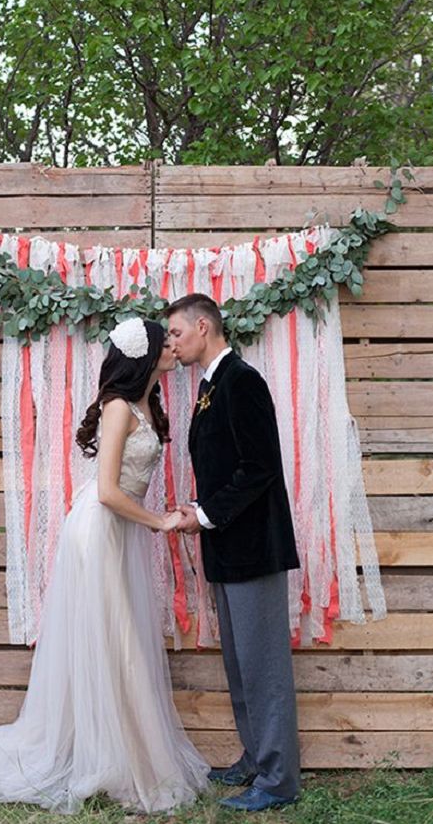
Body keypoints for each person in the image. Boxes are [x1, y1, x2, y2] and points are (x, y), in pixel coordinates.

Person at [0, 316, 210, 815]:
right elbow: (106, 492)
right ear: (142, 356)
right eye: (162, 342)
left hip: (119, 532)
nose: (172, 348)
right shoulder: (119, 407)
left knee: (122, 643)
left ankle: (124, 756)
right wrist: (159, 522)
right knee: (117, 643)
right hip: (99, 531)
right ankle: (133, 768)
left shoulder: (147, 402)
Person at [166, 293, 301, 813]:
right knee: (242, 664)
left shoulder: (242, 382)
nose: (172, 344)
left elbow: (260, 467)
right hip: (228, 546)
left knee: (264, 667)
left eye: (176, 333)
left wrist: (202, 515)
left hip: (254, 549)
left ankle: (279, 779)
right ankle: (256, 758)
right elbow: (226, 470)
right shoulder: (211, 385)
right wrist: (199, 508)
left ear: (204, 326)